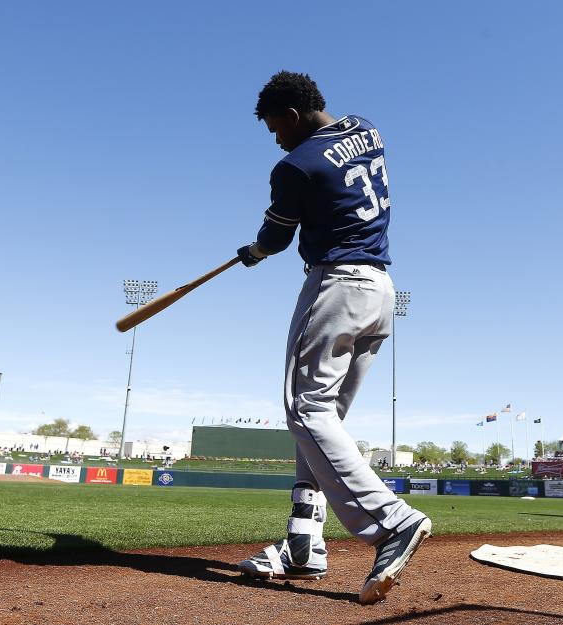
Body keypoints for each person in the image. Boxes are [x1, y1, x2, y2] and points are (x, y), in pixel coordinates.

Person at [235, 71, 431, 605]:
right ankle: (305, 542)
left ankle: (392, 523)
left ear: (293, 117)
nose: (276, 138)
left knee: (305, 410)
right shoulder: (368, 127)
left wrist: (251, 253)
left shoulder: (294, 164)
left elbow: (275, 237)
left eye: (277, 128)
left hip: (337, 286)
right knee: (324, 424)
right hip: (381, 290)